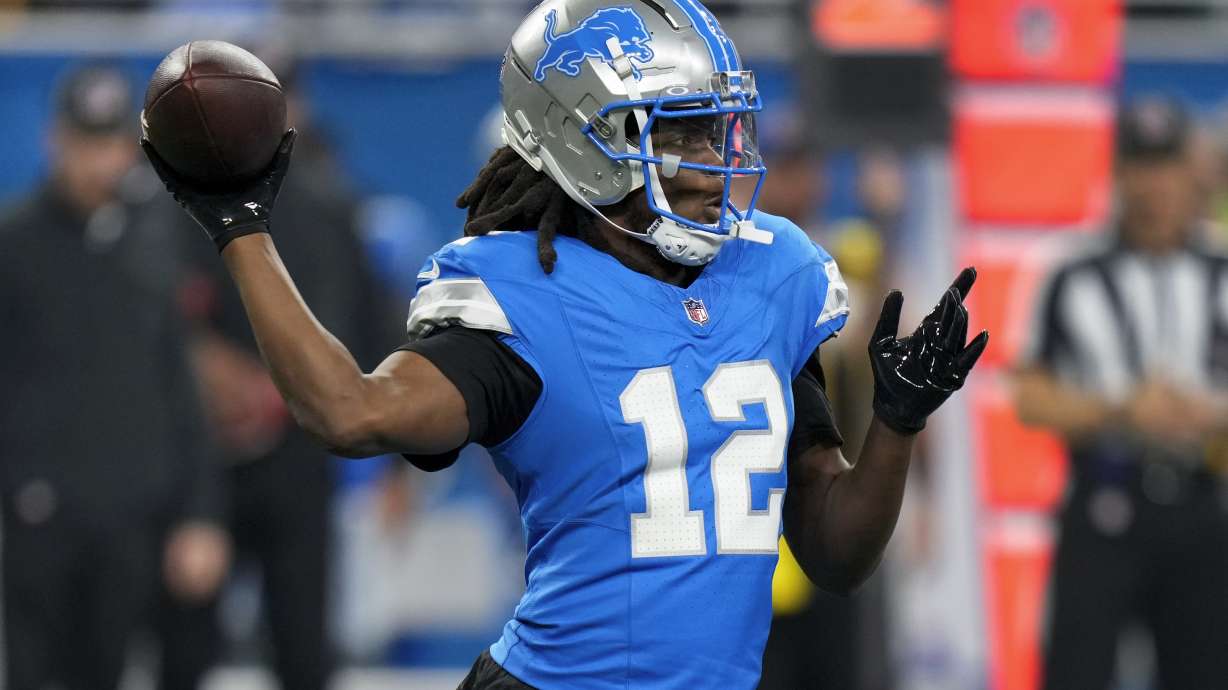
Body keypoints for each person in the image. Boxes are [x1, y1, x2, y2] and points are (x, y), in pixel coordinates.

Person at [143, 1, 988, 687]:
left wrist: (897, 425)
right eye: (681, 133)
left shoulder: (772, 273)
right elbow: (350, 413)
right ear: (588, 143)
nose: (717, 160)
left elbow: (836, 555)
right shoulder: (525, 291)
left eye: (721, 128)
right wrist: (240, 227)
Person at [154, 55, 391, 690]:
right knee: (184, 646)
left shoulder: (331, 205)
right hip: (202, 459)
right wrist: (209, 367)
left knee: (303, 646)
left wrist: (399, 465)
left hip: (298, 452)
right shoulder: (177, 203)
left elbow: (368, 324)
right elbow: (152, 319)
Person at [0, 64, 227, 690]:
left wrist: (200, 512)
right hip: (39, 516)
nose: (98, 162)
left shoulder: (159, 237)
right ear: (55, 142)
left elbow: (179, 384)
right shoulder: (14, 244)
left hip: (136, 520)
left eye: (109, 144)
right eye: (84, 143)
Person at [1014, 95, 1228, 690]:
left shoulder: (1220, 268)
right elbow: (1029, 397)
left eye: (1166, 166)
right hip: (1103, 500)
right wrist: (1120, 411)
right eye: (1140, 166)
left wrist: (1206, 414)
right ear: (1117, 174)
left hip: (1202, 499)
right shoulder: (1069, 270)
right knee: (1076, 670)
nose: (1154, 185)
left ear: (1191, 172)